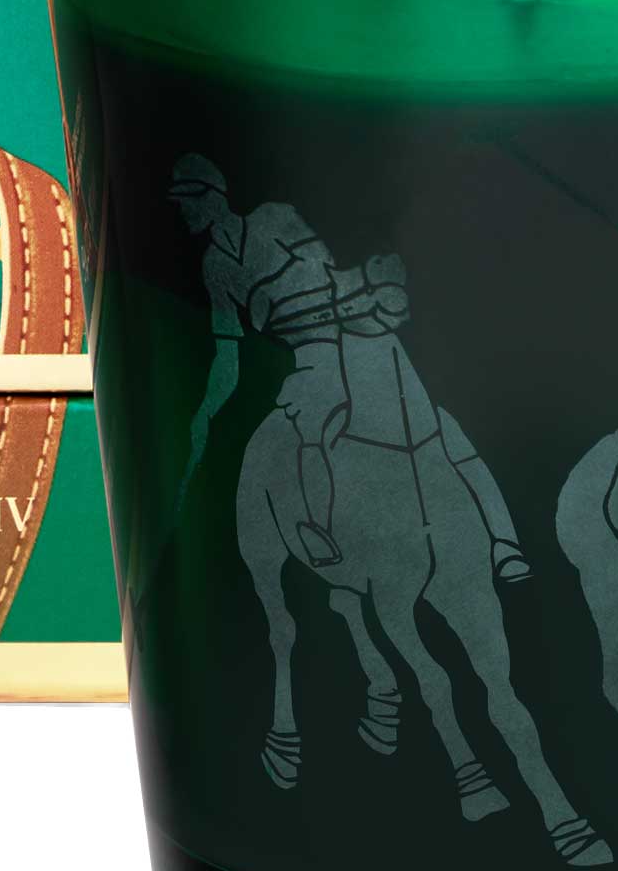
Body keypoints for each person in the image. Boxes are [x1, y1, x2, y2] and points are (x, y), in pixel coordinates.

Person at [169, 154, 529, 580]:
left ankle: (504, 542)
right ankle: (321, 530)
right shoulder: (215, 266)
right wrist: (206, 410)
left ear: (212, 195)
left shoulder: (273, 217)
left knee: (438, 427)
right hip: (307, 355)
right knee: (309, 428)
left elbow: (324, 270)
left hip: (353, 331)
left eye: (189, 199)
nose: (183, 210)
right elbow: (227, 350)